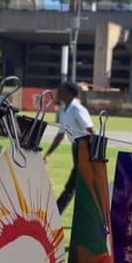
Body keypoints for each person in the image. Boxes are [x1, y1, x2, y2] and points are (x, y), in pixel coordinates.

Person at [43, 82, 94, 214]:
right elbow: (61, 134)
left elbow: (91, 130)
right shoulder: (64, 110)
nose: (59, 93)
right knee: (80, 185)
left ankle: (56, 213)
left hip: (85, 148)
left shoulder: (78, 109)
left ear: (71, 93)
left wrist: (92, 152)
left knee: (73, 185)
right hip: (75, 148)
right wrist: (48, 153)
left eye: (62, 90)